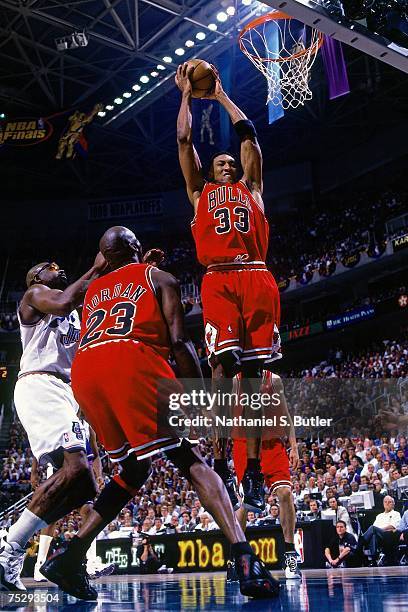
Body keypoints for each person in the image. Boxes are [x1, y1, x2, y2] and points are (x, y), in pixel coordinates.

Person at [40, 226, 279, 601]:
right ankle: (244, 556)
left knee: (134, 468)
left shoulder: (91, 292)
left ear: (104, 257)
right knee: (190, 458)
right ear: (136, 247)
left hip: (85, 375)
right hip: (130, 361)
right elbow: (180, 342)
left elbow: (117, 293)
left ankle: (70, 555)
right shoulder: (160, 277)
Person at [176, 63, 281, 513]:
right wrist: (185, 95)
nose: (226, 163)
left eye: (230, 162)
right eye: (219, 161)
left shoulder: (252, 187)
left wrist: (218, 96)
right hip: (218, 278)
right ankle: (221, 465)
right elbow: (183, 141)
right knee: (223, 366)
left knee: (254, 379)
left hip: (257, 274)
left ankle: (252, 471)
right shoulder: (199, 193)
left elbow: (251, 136)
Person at [0, 256, 106, 592]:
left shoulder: (73, 307)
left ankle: (20, 546)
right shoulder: (37, 296)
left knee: (85, 486)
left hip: (65, 392)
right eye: (49, 265)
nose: (57, 266)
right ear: (35, 277)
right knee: (75, 470)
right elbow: (63, 302)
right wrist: (97, 267)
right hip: (40, 383)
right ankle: (11, 547)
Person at [232, 372, 301, 579]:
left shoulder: (274, 380)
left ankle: (290, 556)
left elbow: (286, 414)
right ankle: (238, 558)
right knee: (244, 503)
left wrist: (294, 446)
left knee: (286, 493)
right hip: (244, 445)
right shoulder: (236, 380)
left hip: (272, 445)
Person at [361, 495, 401, 565]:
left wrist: (378, 529)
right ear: (383, 504)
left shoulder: (396, 514)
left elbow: (392, 526)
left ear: (393, 504)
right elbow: (374, 529)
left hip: (389, 536)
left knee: (373, 529)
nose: (387, 503)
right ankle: (373, 560)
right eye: (385, 502)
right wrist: (376, 530)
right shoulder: (379, 516)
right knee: (373, 535)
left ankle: (361, 542)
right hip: (379, 536)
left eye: (390, 502)